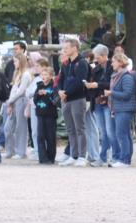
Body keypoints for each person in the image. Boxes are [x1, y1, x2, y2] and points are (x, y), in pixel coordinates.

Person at [57, 38, 89, 167]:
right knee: (70, 129)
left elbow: (80, 81)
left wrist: (66, 92)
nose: (65, 50)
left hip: (77, 99)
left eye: (67, 48)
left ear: (75, 48)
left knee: (79, 128)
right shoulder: (65, 63)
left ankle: (82, 156)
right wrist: (60, 91)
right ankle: (73, 155)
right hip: (65, 100)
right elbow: (60, 79)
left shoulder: (81, 63)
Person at [84, 45, 113, 167]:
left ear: (105, 55)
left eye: (98, 57)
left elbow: (111, 83)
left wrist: (96, 85)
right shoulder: (96, 69)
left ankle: (112, 155)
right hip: (98, 101)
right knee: (102, 131)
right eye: (96, 57)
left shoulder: (112, 66)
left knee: (109, 131)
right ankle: (102, 157)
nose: (96, 59)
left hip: (108, 102)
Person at [107, 52, 136, 167]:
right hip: (118, 108)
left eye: (113, 61)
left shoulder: (127, 76)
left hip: (125, 109)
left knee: (122, 134)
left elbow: (127, 94)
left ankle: (124, 160)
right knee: (124, 134)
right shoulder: (116, 76)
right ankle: (125, 158)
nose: (112, 63)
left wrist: (111, 93)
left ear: (120, 62)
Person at [4, 52, 32, 160]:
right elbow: (14, 89)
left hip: (22, 101)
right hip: (14, 102)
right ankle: (10, 151)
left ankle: (21, 152)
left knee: (21, 127)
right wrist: (10, 102)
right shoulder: (17, 74)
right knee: (8, 128)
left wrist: (10, 101)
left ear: (21, 61)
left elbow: (21, 91)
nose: (14, 63)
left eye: (15, 61)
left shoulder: (26, 74)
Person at [33, 66, 59, 164]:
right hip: (40, 114)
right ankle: (43, 158)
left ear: (51, 76)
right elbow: (35, 100)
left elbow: (55, 101)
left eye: (46, 75)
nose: (43, 77)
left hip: (50, 115)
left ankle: (50, 158)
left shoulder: (54, 86)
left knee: (50, 137)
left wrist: (47, 94)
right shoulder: (39, 85)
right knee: (40, 136)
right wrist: (38, 94)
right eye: (42, 75)